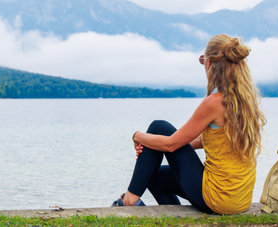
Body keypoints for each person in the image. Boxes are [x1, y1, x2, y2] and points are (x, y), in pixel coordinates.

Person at [112, 34, 266, 214]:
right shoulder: (246, 101)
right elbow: (205, 140)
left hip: (217, 198)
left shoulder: (214, 103)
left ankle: (129, 200)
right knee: (152, 176)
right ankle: (174, 217)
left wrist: (137, 136)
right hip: (239, 199)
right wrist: (156, 146)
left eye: (203, 60)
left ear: (210, 64)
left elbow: (171, 145)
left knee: (158, 127)